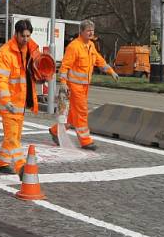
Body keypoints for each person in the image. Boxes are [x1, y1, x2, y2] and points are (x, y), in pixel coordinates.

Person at [50, 19, 118, 150]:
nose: (91, 32)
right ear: (81, 32)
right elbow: (65, 67)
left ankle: (55, 131)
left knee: (73, 115)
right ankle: (85, 141)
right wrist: (63, 83)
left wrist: (111, 71)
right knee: (81, 113)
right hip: (74, 86)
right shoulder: (74, 46)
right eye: (88, 30)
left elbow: (99, 60)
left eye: (92, 30)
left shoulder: (91, 45)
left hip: (84, 86)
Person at [0, 19, 42, 177]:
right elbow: (1, 81)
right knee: (13, 137)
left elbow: (35, 69)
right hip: (8, 104)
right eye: (23, 36)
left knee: (14, 136)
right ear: (16, 34)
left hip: (20, 104)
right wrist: (6, 102)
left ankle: (1, 162)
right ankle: (21, 167)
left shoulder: (29, 48)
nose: (26, 39)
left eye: (28, 36)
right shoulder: (5, 53)